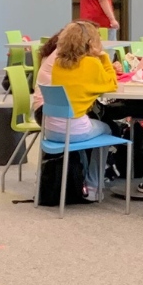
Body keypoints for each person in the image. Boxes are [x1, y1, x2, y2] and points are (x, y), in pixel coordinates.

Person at [42, 20, 120, 196]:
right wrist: (104, 57)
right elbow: (112, 84)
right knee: (108, 129)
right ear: (91, 42)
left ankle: (83, 180)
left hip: (50, 130)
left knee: (88, 125)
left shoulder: (58, 63)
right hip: (73, 130)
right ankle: (94, 185)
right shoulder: (91, 64)